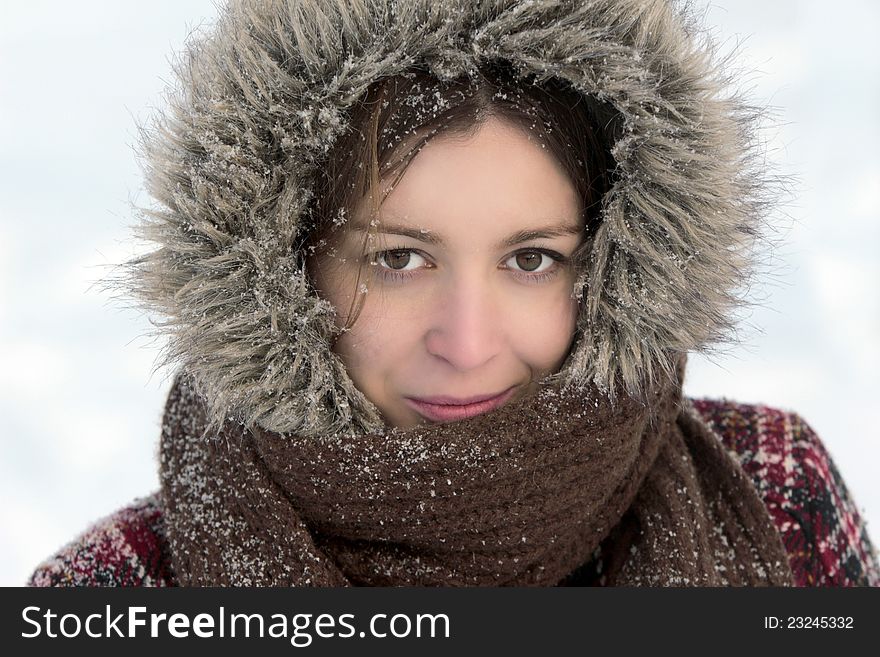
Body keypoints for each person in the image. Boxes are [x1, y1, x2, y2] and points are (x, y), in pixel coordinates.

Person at [29, 0, 877, 587]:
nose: (467, 345)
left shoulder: (776, 490)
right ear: (283, 272)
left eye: (533, 260)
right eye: (398, 259)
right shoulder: (112, 592)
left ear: (617, 267)